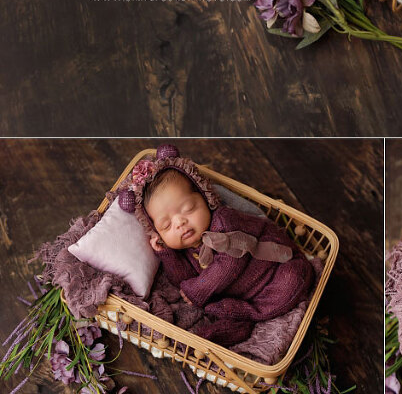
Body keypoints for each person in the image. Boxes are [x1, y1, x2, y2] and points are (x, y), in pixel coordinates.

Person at [118, 144, 314, 347]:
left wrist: (198, 290)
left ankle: (250, 313)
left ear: (204, 197)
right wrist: (167, 254)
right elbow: (183, 281)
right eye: (167, 225)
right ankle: (227, 328)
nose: (180, 223)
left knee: (294, 279)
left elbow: (230, 263)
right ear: (157, 231)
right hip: (244, 295)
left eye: (188, 208)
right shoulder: (184, 249)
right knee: (217, 309)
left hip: (278, 267)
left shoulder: (224, 221)